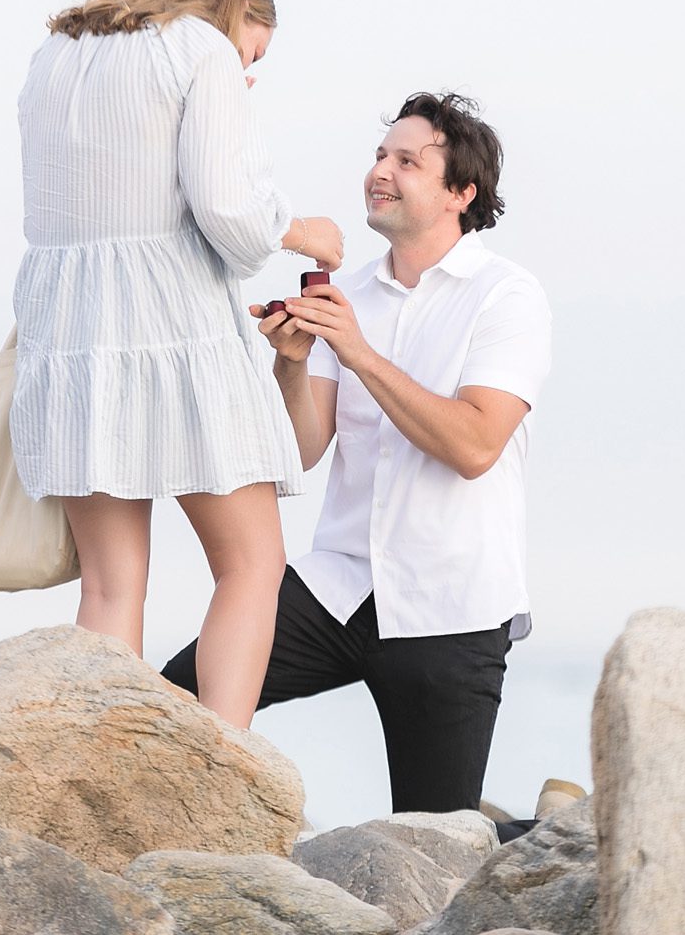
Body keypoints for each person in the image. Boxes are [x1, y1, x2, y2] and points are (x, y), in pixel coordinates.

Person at [161, 91, 553, 826]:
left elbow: (474, 445)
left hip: (451, 607)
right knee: (174, 702)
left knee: (433, 846)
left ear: (460, 193)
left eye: (408, 161)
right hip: (337, 585)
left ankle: (537, 836)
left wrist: (357, 351)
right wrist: (290, 361)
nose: (382, 171)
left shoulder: (508, 297)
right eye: (380, 154)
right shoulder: (353, 296)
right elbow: (303, 450)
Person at [12, 0, 344, 729]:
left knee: (109, 584)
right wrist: (303, 231)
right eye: (252, 52)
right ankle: (224, 764)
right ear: (238, 18)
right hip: (174, 331)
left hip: (71, 334)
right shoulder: (203, 51)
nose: (247, 67)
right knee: (252, 563)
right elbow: (228, 214)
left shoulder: (57, 53)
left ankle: (101, 764)